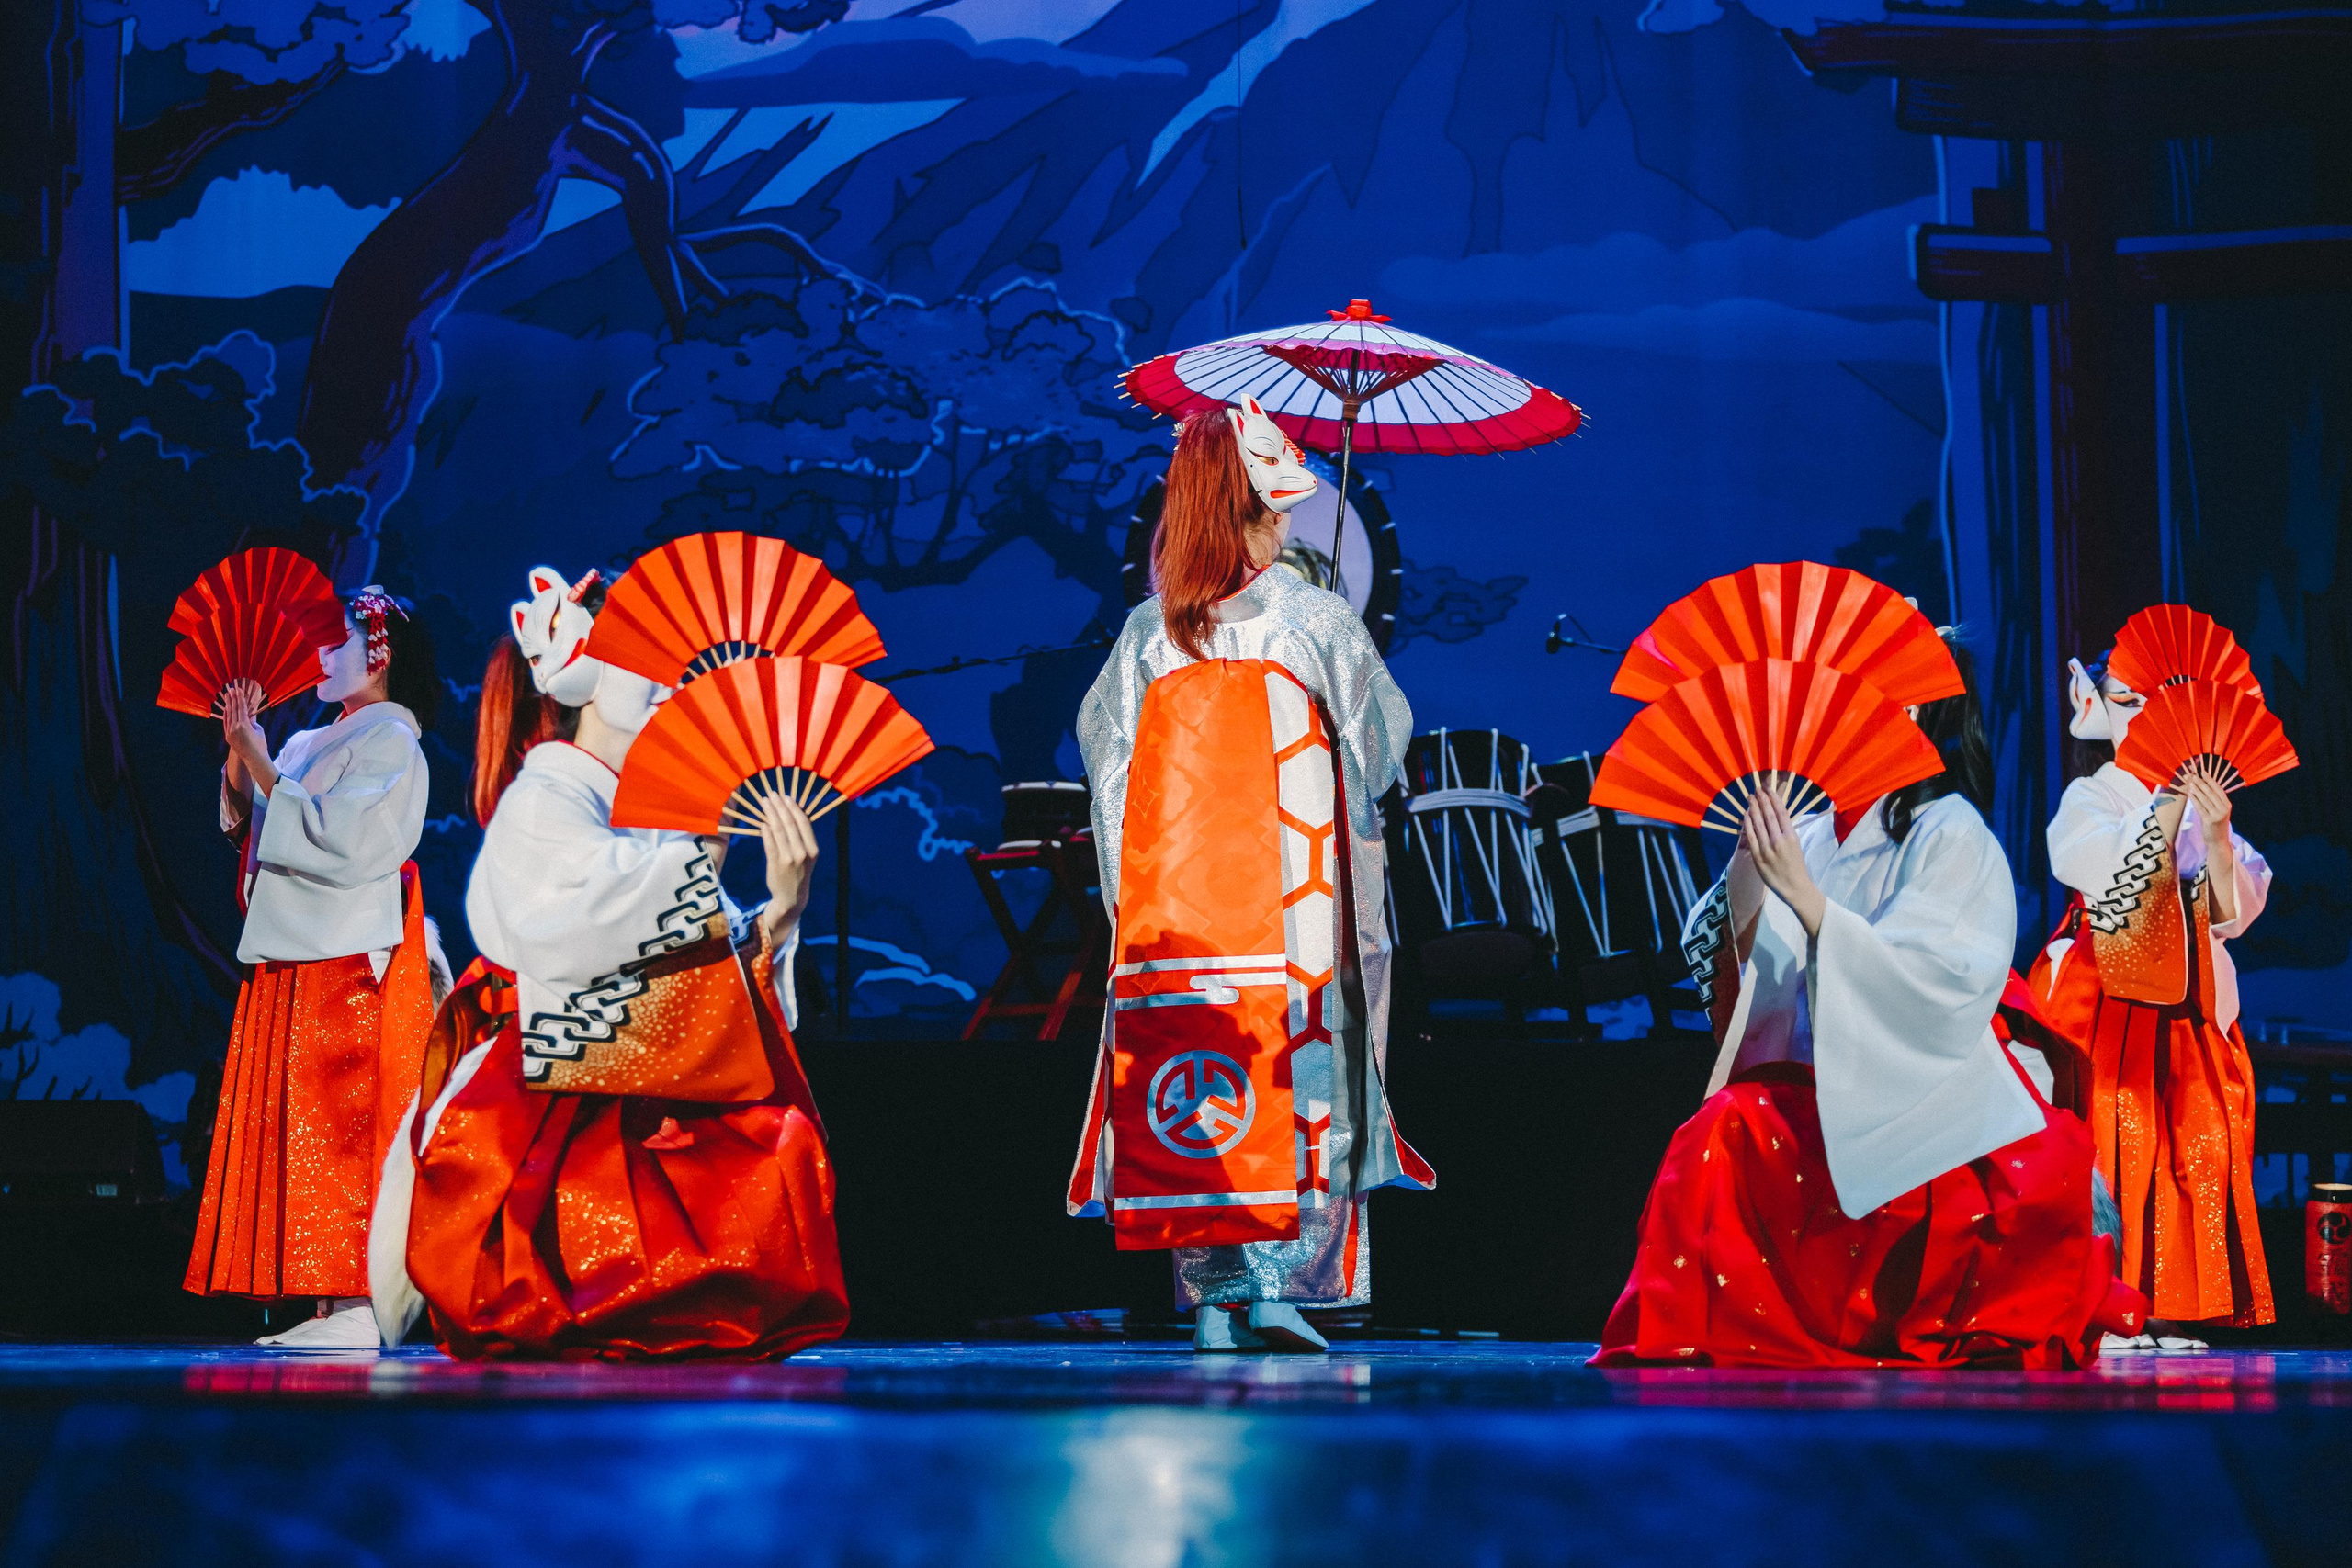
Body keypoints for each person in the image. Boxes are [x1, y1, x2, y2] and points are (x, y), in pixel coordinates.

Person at [1595, 636, 2143, 1368]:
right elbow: (1754, 983)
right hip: (1824, 1088)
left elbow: (1932, 981)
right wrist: (1753, 869)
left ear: (1907, 708)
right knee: (1720, 1129)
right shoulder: (1815, 830)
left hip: (1926, 1103)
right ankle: (1695, 1327)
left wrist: (1812, 902)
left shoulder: (1951, 829)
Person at [371, 566, 848, 1359]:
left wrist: (783, 909)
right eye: (644, 660)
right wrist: (696, 860)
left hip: (657, 1062)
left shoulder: (652, 804)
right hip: (558, 1066)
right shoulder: (544, 796)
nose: (669, 683)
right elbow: (563, 927)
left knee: (781, 1139)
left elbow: (712, 957)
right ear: (583, 676)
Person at [1069, 397, 1432, 1354]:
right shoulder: (1312, 621)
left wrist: (1130, 894)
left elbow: (1107, 768)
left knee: (1203, 1067)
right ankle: (1282, 1286)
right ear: (1255, 509)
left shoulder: (1152, 633)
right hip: (1293, 891)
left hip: (1181, 907)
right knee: (1297, 1065)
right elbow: (1380, 744)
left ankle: (1216, 1300)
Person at [185, 587, 445, 1349]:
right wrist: (244, 757)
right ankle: (326, 1301)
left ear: (380, 654)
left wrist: (265, 764)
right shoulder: (305, 744)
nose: (321, 657)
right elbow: (256, 829)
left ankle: (361, 1296)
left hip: (344, 958)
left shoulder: (395, 742)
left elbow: (347, 839)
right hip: (296, 952)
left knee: (342, 1126)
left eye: (337, 643)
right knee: (298, 1128)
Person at [2030, 653, 2275, 1345]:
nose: (2144, 717)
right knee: (2114, 1135)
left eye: (2158, 704)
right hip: (2104, 988)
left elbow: (2233, 913)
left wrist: (2219, 832)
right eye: (2127, 700)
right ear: (2095, 708)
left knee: (2193, 1137)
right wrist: (2165, 809)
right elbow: (2101, 872)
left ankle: (2166, 1303)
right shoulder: (2095, 796)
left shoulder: (2196, 804)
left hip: (2184, 999)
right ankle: (2104, 1299)